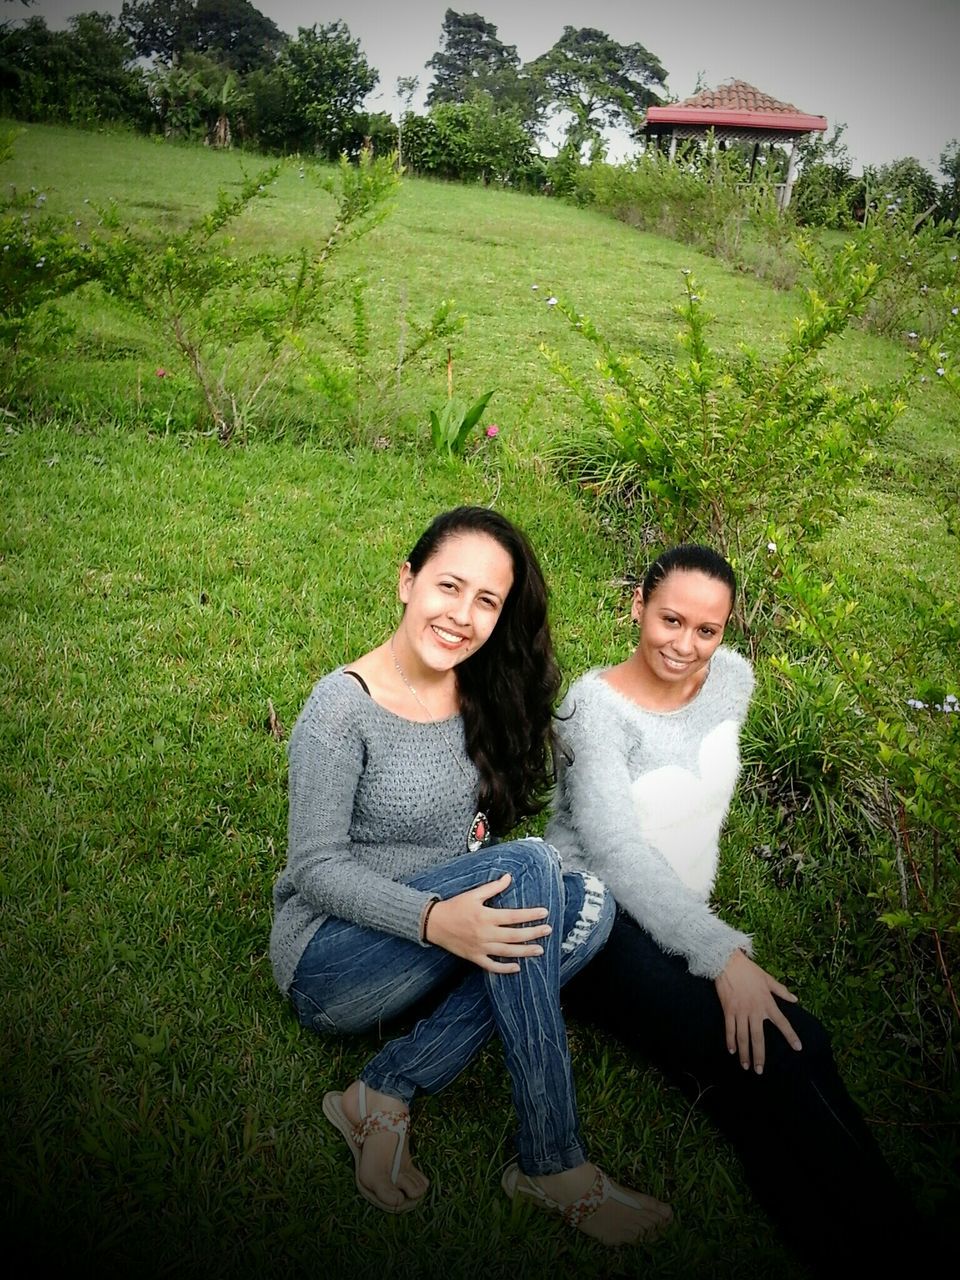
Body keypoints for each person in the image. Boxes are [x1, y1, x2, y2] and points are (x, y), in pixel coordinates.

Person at [269, 507, 672, 1246]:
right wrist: (434, 921)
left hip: (433, 934)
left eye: (486, 601)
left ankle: (383, 1088)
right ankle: (553, 1162)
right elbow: (315, 869)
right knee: (533, 870)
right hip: (332, 959)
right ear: (406, 580)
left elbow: (483, 834)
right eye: (449, 587)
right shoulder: (339, 711)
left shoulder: (474, 691)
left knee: (585, 903)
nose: (462, 615)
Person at [548, 543, 922, 1275]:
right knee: (783, 1048)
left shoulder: (732, 684)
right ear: (637, 607)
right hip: (587, 915)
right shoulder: (592, 709)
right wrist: (720, 954)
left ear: (727, 632)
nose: (685, 646)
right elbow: (618, 850)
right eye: (670, 620)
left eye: (707, 630)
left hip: (664, 915)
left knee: (759, 1075)